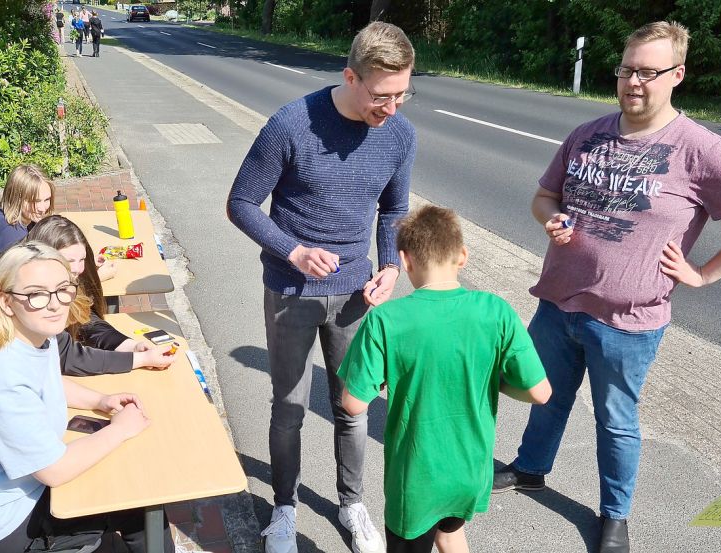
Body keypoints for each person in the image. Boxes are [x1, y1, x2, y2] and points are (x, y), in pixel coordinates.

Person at [493, 21, 721, 553]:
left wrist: (703, 274)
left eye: (648, 73)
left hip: (628, 321)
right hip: (559, 303)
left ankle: (614, 515)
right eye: (627, 69)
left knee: (617, 421)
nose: (633, 82)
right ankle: (531, 467)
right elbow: (543, 196)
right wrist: (551, 217)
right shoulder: (588, 134)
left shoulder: (699, 149)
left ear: (676, 75)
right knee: (547, 397)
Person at [226, 21, 417, 553]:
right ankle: (283, 508)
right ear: (350, 77)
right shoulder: (292, 125)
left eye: (403, 94)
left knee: (350, 405)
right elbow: (241, 203)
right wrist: (293, 251)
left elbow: (394, 209)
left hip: (357, 293)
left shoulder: (400, 135)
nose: (393, 109)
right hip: (291, 290)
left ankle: (351, 504)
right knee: (288, 405)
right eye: (382, 96)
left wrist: (389, 265)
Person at [0, 242, 176, 552]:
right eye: (36, 294)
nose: (55, 304)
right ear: (6, 301)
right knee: (139, 502)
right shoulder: (0, 377)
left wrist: (100, 401)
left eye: (62, 289)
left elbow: (48, 381)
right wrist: (120, 429)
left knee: (131, 492)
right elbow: (54, 470)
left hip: (15, 491)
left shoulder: (21, 334)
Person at [337, 206, 551, 553]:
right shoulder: (497, 311)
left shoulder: (387, 320)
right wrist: (487, 377)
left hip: (418, 480)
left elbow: (353, 402)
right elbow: (540, 392)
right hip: (470, 471)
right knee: (450, 531)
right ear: (463, 256)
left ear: (405, 262)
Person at [0, 215, 173, 397]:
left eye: (83, 259)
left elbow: (82, 315)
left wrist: (126, 345)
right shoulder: (16, 292)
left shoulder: (36, 272)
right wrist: (138, 360)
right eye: (72, 261)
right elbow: (65, 357)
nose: (80, 270)